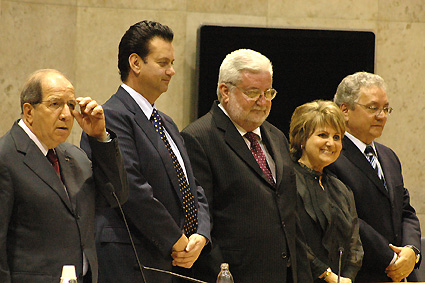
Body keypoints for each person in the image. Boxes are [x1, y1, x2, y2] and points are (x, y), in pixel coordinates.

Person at [80, 20, 211, 283]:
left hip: (173, 262)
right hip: (131, 261)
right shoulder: (112, 116)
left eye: (172, 63)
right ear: (136, 63)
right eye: (163, 63)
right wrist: (175, 239)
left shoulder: (167, 122)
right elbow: (131, 188)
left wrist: (201, 234)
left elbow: (192, 186)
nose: (172, 71)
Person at [180, 49, 313, 283]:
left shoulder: (277, 136)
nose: (263, 102)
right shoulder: (197, 138)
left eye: (268, 93)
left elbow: (290, 216)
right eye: (253, 93)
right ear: (225, 91)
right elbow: (200, 221)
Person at [0, 69, 128, 283]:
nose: (66, 114)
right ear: (29, 111)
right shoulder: (5, 157)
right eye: (55, 104)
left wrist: (100, 138)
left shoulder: (75, 157)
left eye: (71, 105)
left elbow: (116, 196)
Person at [327, 72, 421, 282]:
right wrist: (392, 259)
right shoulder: (332, 156)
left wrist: (412, 251)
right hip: (364, 273)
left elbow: (405, 210)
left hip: (404, 272)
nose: (382, 116)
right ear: (345, 110)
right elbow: (347, 219)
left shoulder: (389, 156)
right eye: (372, 108)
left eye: (386, 109)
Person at [289, 100, 363, 283]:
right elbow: (292, 239)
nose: (331, 143)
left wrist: (346, 278)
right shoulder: (287, 181)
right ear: (302, 139)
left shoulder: (341, 189)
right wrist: (328, 276)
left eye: (337, 137)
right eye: (323, 135)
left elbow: (355, 246)